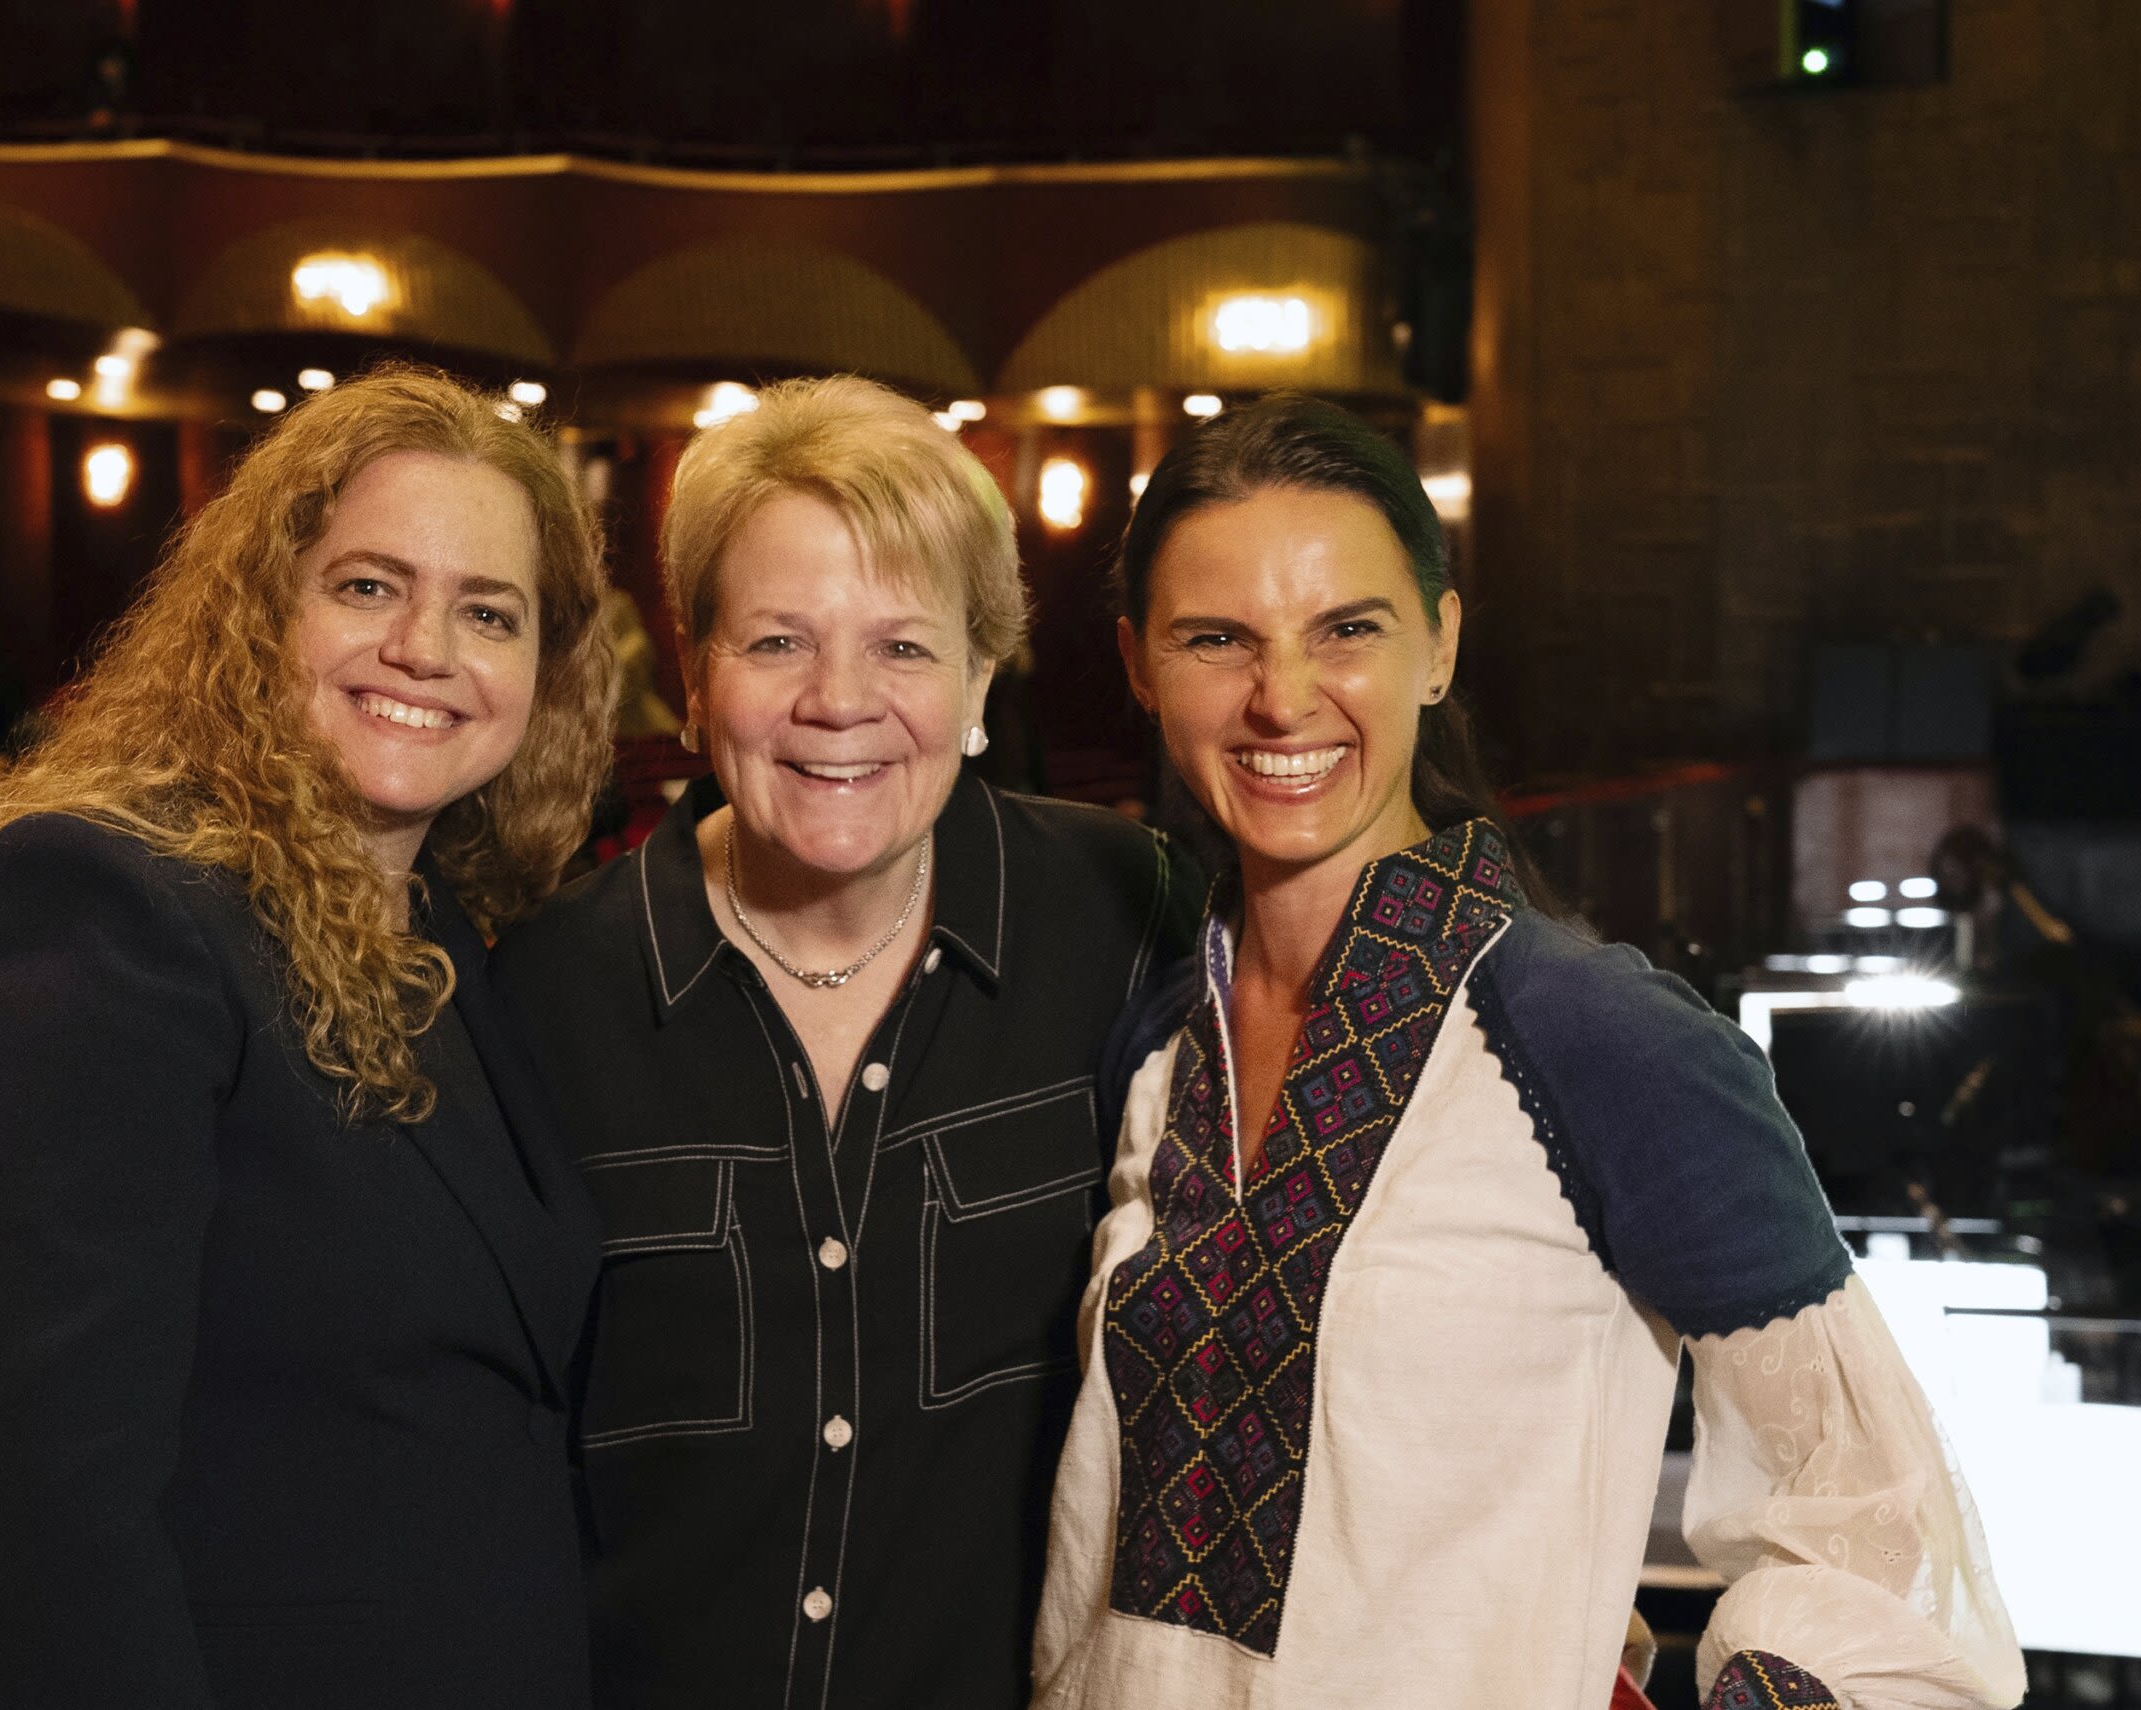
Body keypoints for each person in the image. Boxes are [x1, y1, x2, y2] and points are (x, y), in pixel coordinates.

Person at [1028, 393, 2025, 1710]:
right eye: (1218, 637)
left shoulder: (1603, 1042)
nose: (1281, 697)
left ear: (1437, 645)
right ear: (1138, 661)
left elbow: (1877, 1527)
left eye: (1348, 629)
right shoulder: (1156, 1040)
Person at [0, 365, 616, 1710]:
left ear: (541, 673)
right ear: (262, 610)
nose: (427, 647)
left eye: (488, 611)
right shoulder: (99, 908)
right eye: (369, 585)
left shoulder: (444, 931)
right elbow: (45, 1525)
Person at [491, 376, 1194, 1710]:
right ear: (694, 676)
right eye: (776, 643)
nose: (839, 702)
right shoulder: (546, 994)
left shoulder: (1125, 918)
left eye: (905, 647)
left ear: (984, 677)